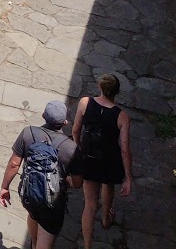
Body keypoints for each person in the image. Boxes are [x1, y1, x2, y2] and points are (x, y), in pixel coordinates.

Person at [0, 100, 78, 249]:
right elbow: (78, 182)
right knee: (47, 234)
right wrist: (67, 181)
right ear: (65, 122)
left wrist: (5, 187)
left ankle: (34, 243)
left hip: (29, 192)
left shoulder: (28, 133)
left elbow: (14, 164)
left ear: (43, 116)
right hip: (52, 201)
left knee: (33, 215)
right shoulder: (71, 148)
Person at [72, 75, 133, 246]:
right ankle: (106, 217)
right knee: (108, 186)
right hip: (109, 160)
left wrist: (78, 149)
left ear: (99, 86)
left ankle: (87, 245)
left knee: (90, 204)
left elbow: (76, 130)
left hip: (89, 157)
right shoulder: (122, 116)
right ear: (117, 92)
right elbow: (124, 147)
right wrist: (128, 176)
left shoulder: (85, 103)